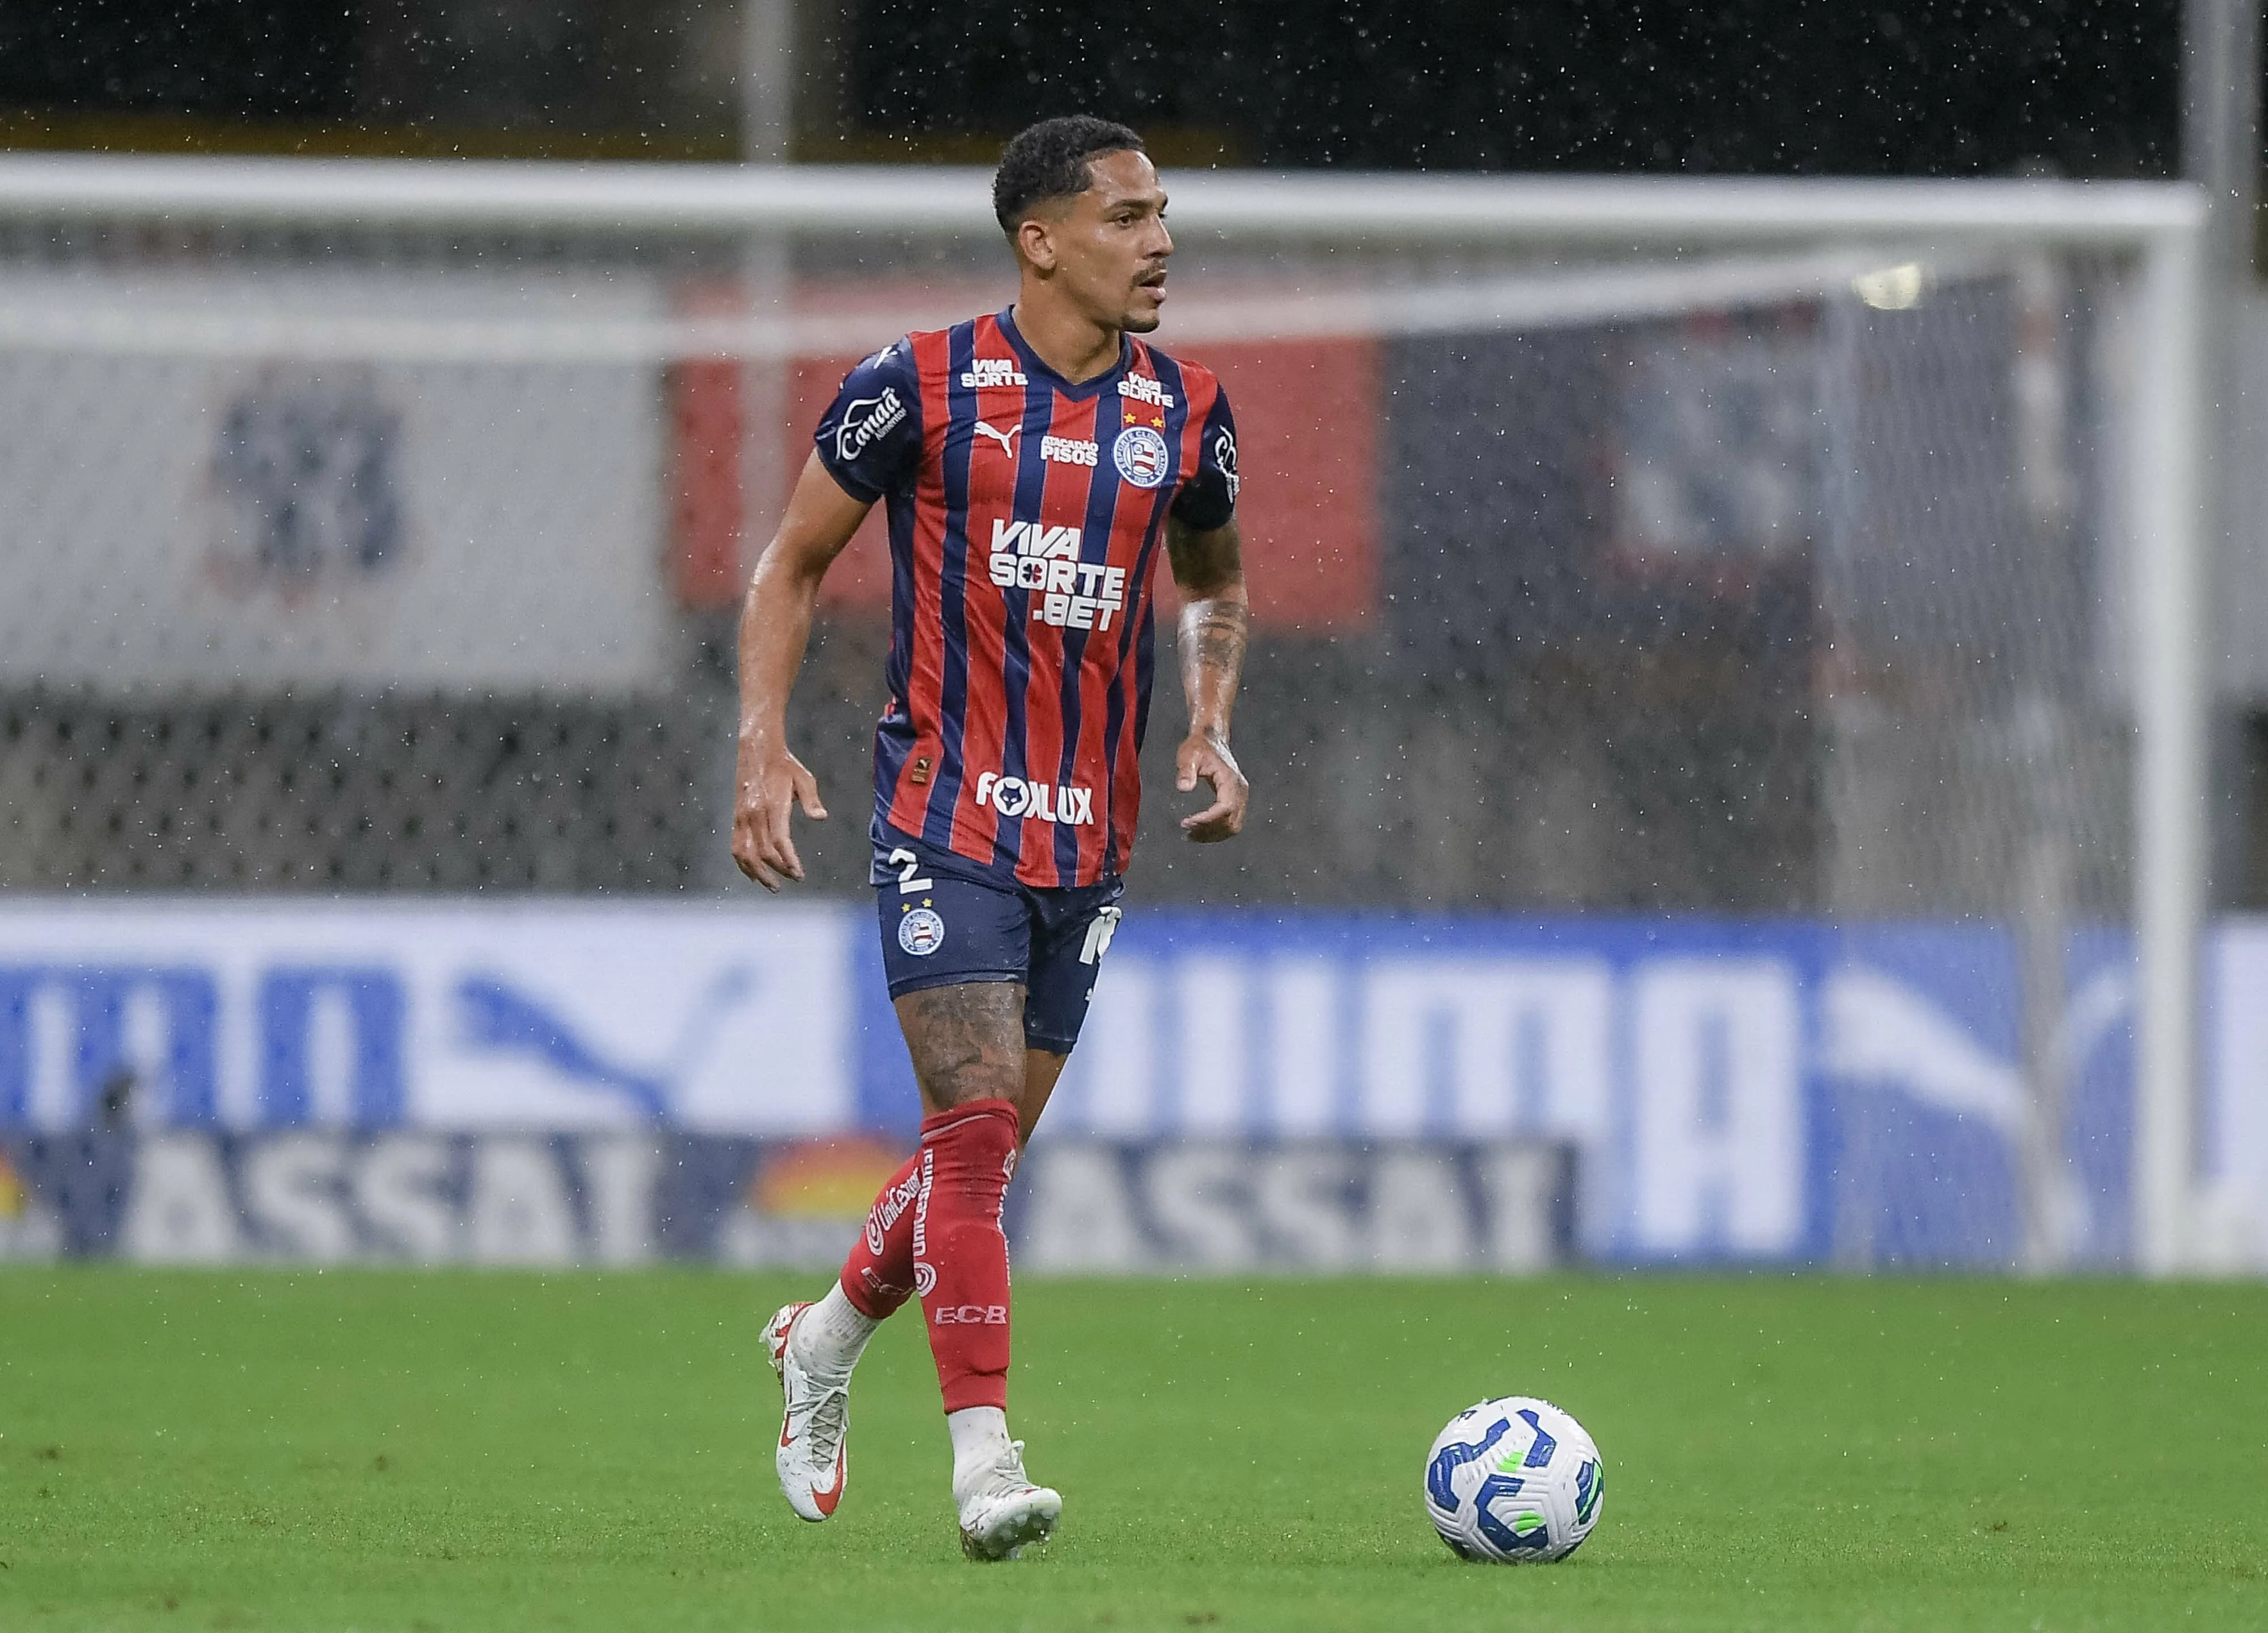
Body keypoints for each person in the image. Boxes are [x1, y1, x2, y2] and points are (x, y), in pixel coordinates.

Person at [729, 114, 1251, 1560]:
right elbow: (791, 562)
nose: (1160, 242)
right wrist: (760, 741)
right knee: (966, 1151)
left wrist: (1208, 716)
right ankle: (982, 1463)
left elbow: (1213, 583)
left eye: (1163, 217)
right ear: (1040, 239)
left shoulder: (1185, 413)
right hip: (940, 817)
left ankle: (822, 1340)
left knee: (974, 1162)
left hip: (1089, 842)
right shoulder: (917, 386)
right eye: (1128, 217)